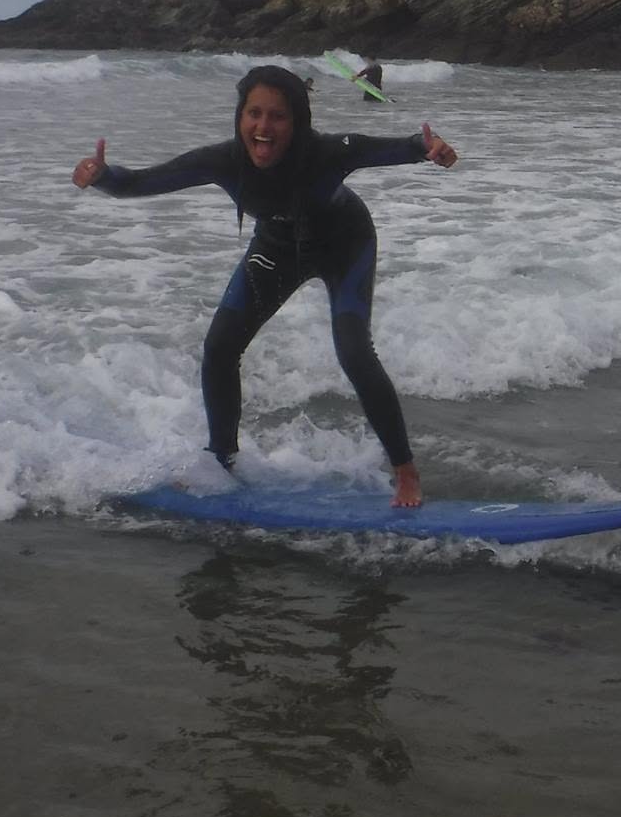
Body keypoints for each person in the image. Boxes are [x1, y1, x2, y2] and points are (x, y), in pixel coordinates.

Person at [71, 64, 457, 507]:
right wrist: (102, 177)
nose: (263, 127)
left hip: (345, 246)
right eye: (253, 113)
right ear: (240, 117)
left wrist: (427, 148)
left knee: (354, 351)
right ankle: (221, 460)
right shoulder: (223, 161)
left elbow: (392, 147)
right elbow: (140, 182)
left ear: (297, 122)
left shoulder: (327, 153)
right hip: (277, 249)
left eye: (277, 116)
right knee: (220, 347)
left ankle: (405, 471)